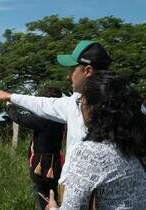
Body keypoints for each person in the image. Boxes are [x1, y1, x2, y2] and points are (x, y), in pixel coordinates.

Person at [0, 40, 112, 187]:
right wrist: (12, 96)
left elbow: (33, 110)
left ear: (87, 71)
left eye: (72, 69)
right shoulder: (129, 105)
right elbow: (44, 104)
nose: (69, 76)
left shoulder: (80, 105)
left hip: (84, 189)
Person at [45, 72, 146, 209]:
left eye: (81, 101)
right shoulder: (136, 145)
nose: (80, 107)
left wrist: (53, 208)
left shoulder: (90, 153)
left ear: (93, 109)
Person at [6, 87, 65, 210]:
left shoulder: (41, 119)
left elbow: (17, 117)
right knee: (53, 193)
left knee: (40, 195)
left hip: (41, 164)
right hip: (56, 163)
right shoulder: (61, 118)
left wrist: (9, 105)